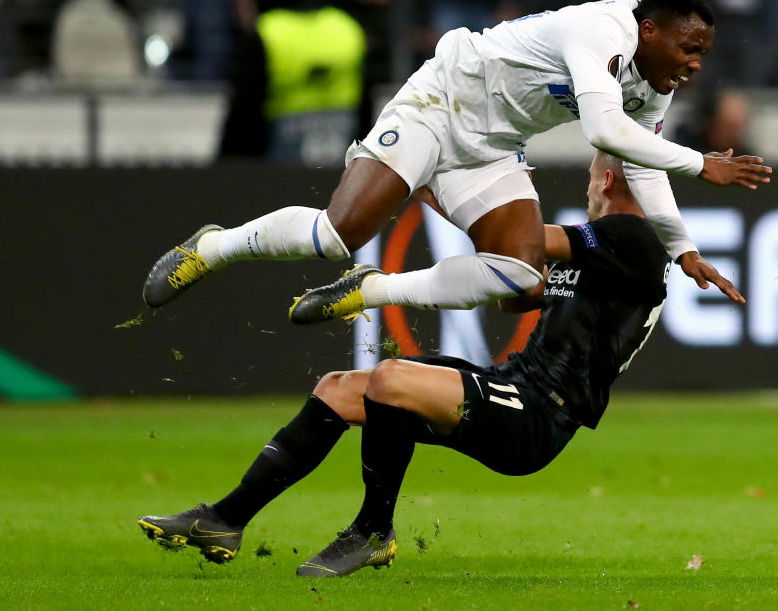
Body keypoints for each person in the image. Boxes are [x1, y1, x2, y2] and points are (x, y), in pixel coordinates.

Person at [138, 150, 714, 577]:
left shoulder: (636, 240)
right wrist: (434, 196)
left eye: (593, 171)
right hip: (515, 384)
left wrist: (455, 189)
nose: (589, 181)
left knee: (390, 379)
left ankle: (372, 529)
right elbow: (516, 285)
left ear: (607, 177)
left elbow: (522, 241)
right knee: (340, 388)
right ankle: (226, 518)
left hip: (540, 415)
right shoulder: (609, 250)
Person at [141, 0, 769, 325]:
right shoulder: (601, 31)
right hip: (439, 105)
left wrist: (683, 248)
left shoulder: (651, 81)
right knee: (340, 233)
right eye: (689, 49)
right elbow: (605, 132)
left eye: (704, 56)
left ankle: (374, 290)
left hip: (491, 148)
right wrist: (703, 163)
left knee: (523, 280)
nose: (694, 65)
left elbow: (641, 163)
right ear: (649, 31)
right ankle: (211, 247)